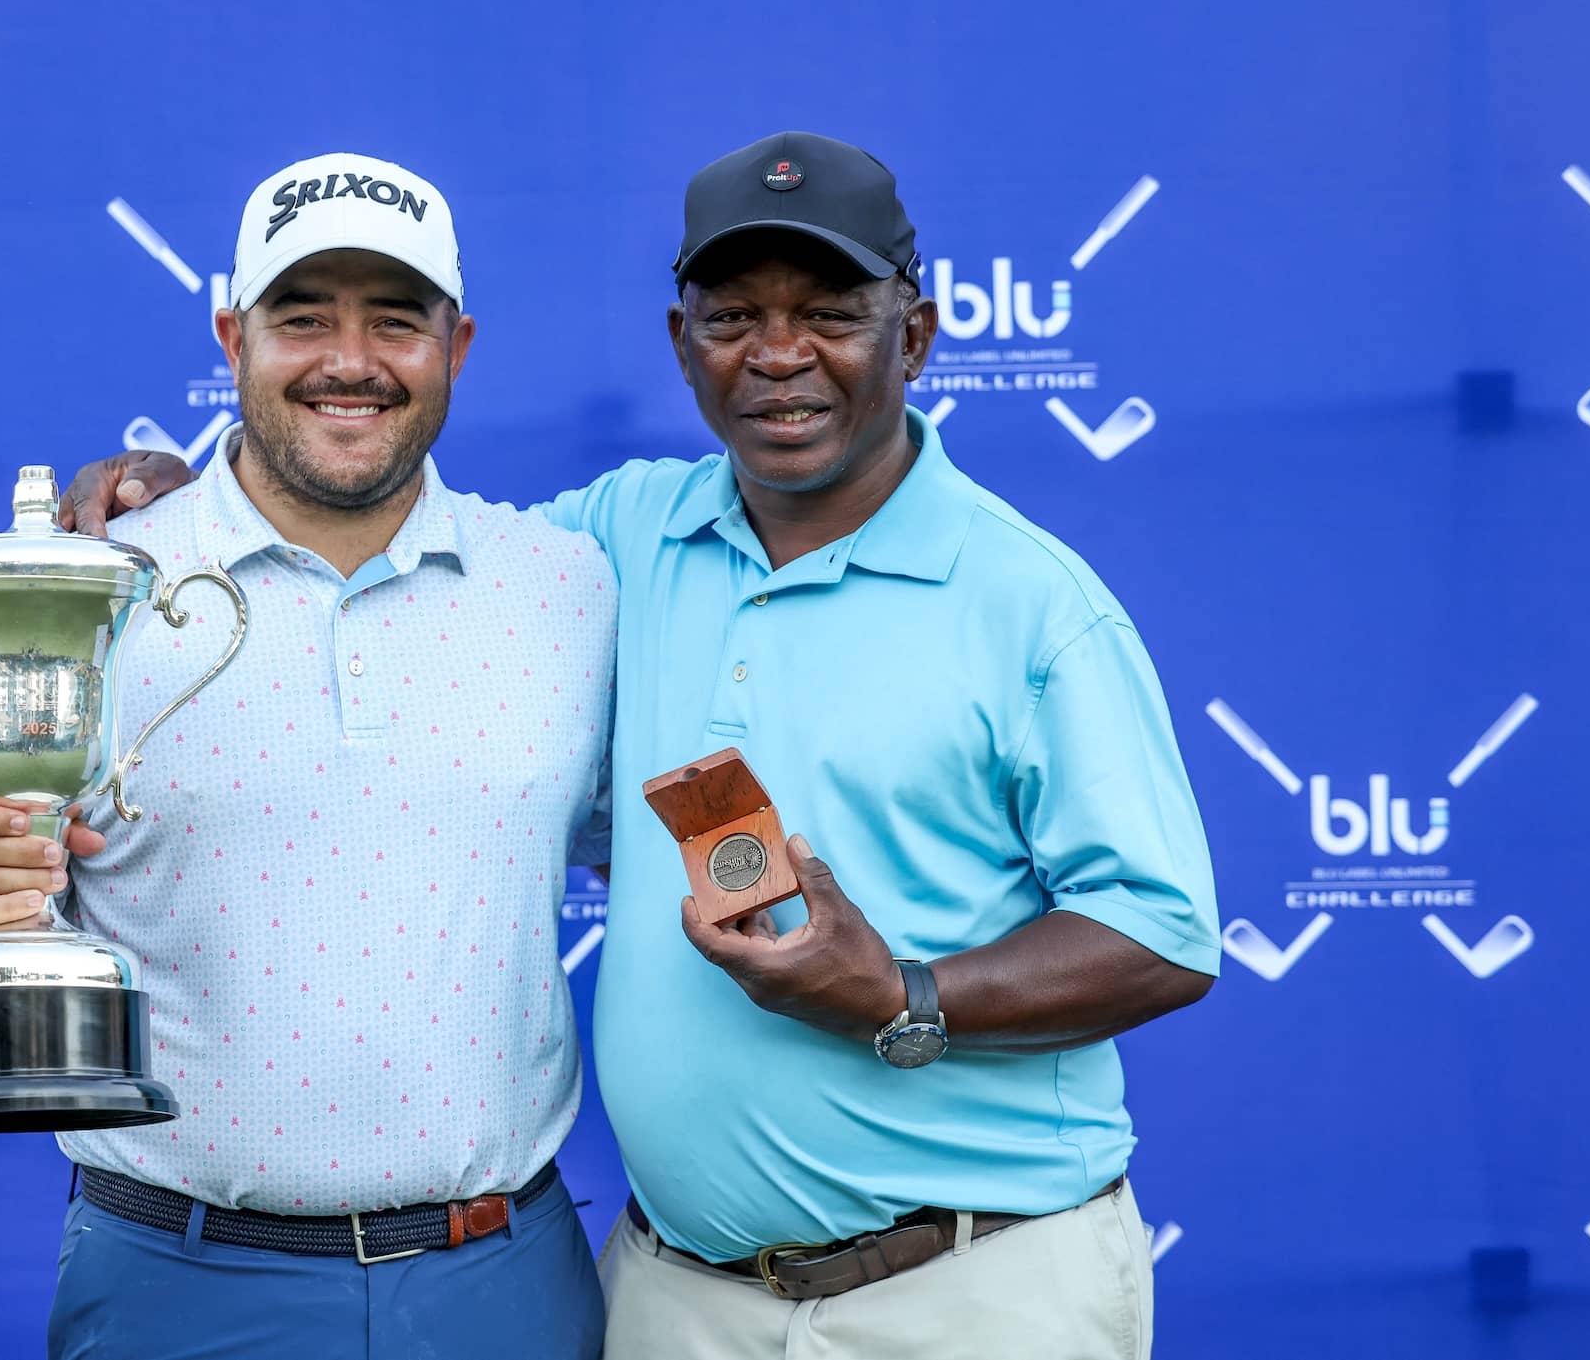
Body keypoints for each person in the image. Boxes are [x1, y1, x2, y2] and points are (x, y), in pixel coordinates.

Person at [66, 132, 1220, 1360]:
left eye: (830, 312)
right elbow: (362, 516)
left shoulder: (1032, 601)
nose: (779, 354)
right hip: (680, 1298)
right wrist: (171, 495)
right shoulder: (603, 548)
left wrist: (904, 993)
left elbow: (1163, 934)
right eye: (733, 317)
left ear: (916, 336)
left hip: (971, 1287)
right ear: (683, 346)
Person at [0, 152, 617, 1360]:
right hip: (179, 1287)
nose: (350, 360)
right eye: (302, 318)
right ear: (232, 336)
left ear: (459, 344)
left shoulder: (567, 589)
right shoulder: (96, 587)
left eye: (396, 320)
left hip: (503, 1283)